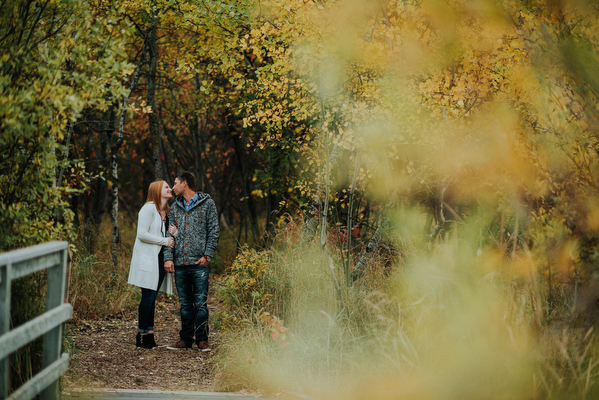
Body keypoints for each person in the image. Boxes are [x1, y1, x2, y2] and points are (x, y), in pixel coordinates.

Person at [164, 171, 219, 351]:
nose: (173, 187)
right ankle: (186, 339)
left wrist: (207, 255)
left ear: (185, 183)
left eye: (175, 183)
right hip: (180, 264)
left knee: (200, 304)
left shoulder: (208, 204)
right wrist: (168, 258)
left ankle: (202, 340)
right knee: (185, 305)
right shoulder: (175, 207)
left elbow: (214, 231)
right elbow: (169, 235)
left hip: (199, 264)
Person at [128, 180, 177, 349]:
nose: (170, 189)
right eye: (166, 187)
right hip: (147, 259)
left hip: (159, 259)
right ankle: (142, 335)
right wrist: (165, 240)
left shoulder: (167, 212)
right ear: (157, 190)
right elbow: (141, 234)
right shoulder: (148, 208)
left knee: (152, 298)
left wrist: (173, 233)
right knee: (148, 297)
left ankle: (149, 334)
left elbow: (170, 235)